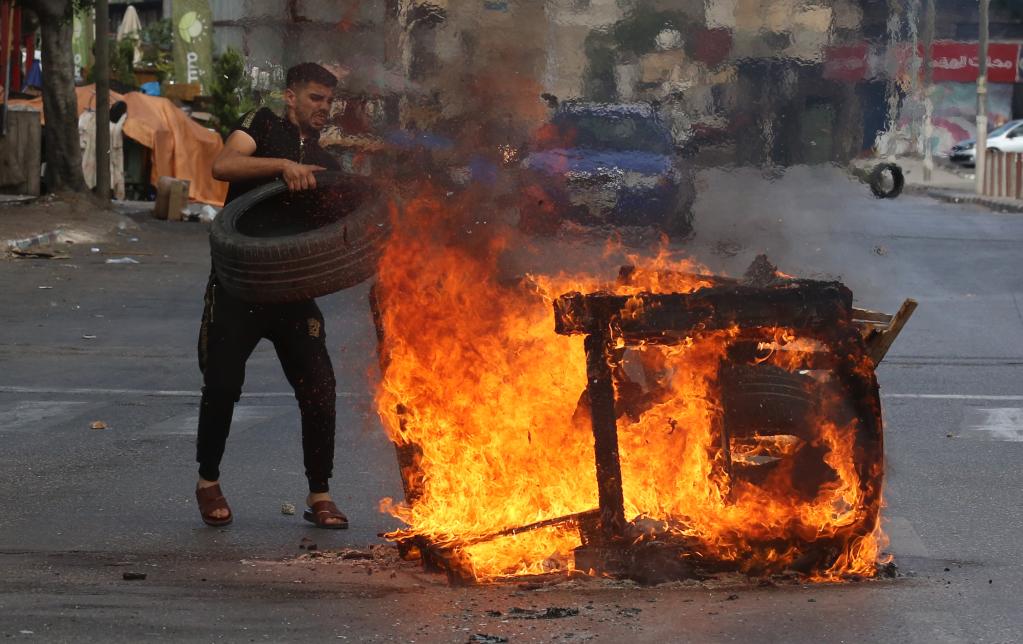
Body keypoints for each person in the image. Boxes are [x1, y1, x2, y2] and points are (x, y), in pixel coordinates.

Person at [195, 62, 347, 529]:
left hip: (292, 289)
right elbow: (223, 165)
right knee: (222, 385)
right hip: (239, 282)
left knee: (320, 390)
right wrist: (283, 166)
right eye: (315, 98)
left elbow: (341, 226)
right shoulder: (260, 124)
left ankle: (319, 494)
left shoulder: (327, 161)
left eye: (329, 101)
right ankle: (208, 482)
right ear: (291, 96)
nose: (324, 108)